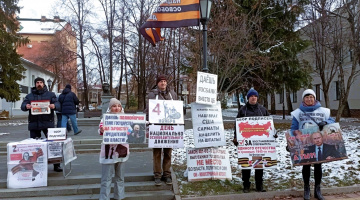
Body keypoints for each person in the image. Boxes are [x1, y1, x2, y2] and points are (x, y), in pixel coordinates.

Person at [290, 89, 335, 200]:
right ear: (303, 99)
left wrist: (326, 122)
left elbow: (332, 122)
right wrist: (291, 142)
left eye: (311, 97)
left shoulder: (323, 111)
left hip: (319, 141)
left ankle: (317, 190)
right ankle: (306, 189)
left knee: (318, 165)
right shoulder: (298, 112)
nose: (309, 99)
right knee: (306, 166)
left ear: (314, 98)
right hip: (305, 143)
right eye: (307, 97)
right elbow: (293, 128)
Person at [21, 77, 62, 172]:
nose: (39, 84)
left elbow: (58, 105)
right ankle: (34, 165)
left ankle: (56, 165)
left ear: (43, 84)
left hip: (48, 123)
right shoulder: (29, 96)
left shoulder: (51, 95)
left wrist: (54, 106)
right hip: (34, 123)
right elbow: (23, 105)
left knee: (53, 145)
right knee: (34, 146)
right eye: (37, 82)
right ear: (35, 84)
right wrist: (26, 106)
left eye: (41, 82)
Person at [232, 88, 270, 193]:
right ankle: (246, 185)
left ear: (257, 98)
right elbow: (236, 125)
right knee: (246, 164)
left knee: (259, 164)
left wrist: (273, 135)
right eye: (251, 96)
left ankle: (259, 185)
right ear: (248, 98)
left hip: (259, 143)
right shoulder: (243, 111)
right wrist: (236, 137)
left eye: (255, 96)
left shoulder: (263, 110)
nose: (253, 98)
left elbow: (270, 126)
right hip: (246, 144)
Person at [146, 74, 177, 186]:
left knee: (168, 152)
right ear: (157, 83)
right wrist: (148, 124)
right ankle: (157, 175)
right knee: (157, 153)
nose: (163, 83)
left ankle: (167, 175)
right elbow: (148, 111)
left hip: (170, 128)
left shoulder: (172, 94)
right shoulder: (152, 95)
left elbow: (176, 109)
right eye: (161, 81)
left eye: (164, 81)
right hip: (157, 128)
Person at [98, 98, 128, 200]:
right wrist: (102, 129)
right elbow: (101, 130)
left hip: (122, 151)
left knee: (120, 177)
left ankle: (119, 197)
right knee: (106, 178)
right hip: (108, 151)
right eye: (114, 106)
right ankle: (104, 198)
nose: (117, 108)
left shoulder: (125, 119)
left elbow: (131, 132)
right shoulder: (105, 119)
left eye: (118, 106)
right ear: (110, 107)